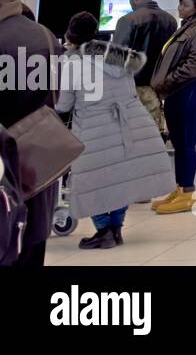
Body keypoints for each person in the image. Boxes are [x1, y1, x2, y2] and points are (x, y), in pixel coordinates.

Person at [57, 12, 174, 250]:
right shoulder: (117, 56)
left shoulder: (72, 62)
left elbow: (63, 104)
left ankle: (103, 230)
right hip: (128, 123)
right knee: (122, 177)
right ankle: (116, 229)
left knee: (92, 180)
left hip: (93, 126)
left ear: (71, 34)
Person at [0, 0, 59, 267]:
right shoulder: (46, 35)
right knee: (33, 238)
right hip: (39, 157)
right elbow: (57, 93)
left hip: (4, 160)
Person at [150, 0, 196, 216]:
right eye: (180, 3)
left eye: (185, 5)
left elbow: (194, 64)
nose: (180, 8)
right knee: (178, 141)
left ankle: (188, 192)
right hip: (178, 91)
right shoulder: (185, 27)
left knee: (186, 142)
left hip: (191, 88)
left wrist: (167, 82)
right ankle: (180, 187)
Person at [111, 0, 178, 135]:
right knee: (153, 141)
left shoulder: (127, 21)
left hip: (132, 92)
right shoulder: (171, 21)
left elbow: (116, 61)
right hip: (158, 92)